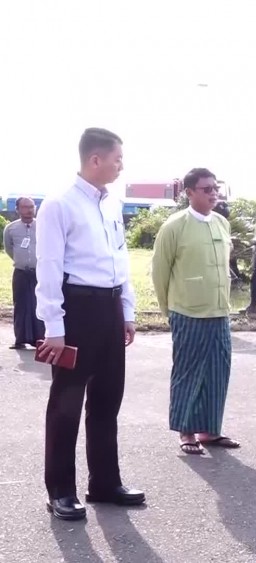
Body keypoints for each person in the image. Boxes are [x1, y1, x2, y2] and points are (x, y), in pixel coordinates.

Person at [36, 128, 144, 521]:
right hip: (77, 310)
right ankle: (60, 491)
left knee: (107, 399)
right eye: (117, 159)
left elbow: (121, 258)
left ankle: (104, 483)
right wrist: (54, 327)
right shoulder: (59, 205)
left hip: (110, 308)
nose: (121, 166)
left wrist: (127, 311)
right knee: (66, 404)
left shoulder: (112, 204)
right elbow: (49, 267)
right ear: (95, 159)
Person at [152, 168, 239, 455]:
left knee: (218, 371)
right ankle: (186, 431)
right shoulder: (174, 226)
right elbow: (160, 272)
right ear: (189, 192)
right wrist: (169, 310)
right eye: (206, 189)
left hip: (219, 311)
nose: (213, 194)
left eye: (215, 188)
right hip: (187, 311)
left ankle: (209, 430)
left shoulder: (221, 223)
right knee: (188, 372)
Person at [4, 196, 44, 349]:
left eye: (31, 207)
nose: (29, 210)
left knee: (40, 304)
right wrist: (21, 261)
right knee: (20, 305)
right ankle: (20, 339)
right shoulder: (11, 229)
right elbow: (9, 248)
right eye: (25, 207)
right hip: (21, 272)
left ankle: (40, 339)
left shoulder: (43, 226)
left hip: (40, 272)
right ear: (17, 209)